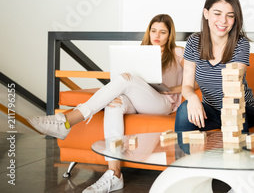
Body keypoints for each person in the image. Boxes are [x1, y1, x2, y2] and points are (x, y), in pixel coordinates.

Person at [27, 14, 184, 193]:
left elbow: (195, 81)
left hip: (163, 103)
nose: (157, 35)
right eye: (154, 30)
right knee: (114, 104)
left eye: (163, 32)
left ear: (170, 35)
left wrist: (174, 88)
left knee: (127, 79)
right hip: (138, 100)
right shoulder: (141, 52)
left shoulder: (178, 53)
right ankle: (114, 174)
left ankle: (68, 120)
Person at [175, 0, 254, 133]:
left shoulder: (241, 44)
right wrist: (192, 98)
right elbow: (187, 86)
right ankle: (183, 155)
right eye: (217, 13)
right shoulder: (193, 42)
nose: (223, 21)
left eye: (230, 15)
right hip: (213, 111)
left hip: (242, 109)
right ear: (206, 13)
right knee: (184, 110)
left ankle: (238, 154)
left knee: (228, 106)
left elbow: (232, 85)